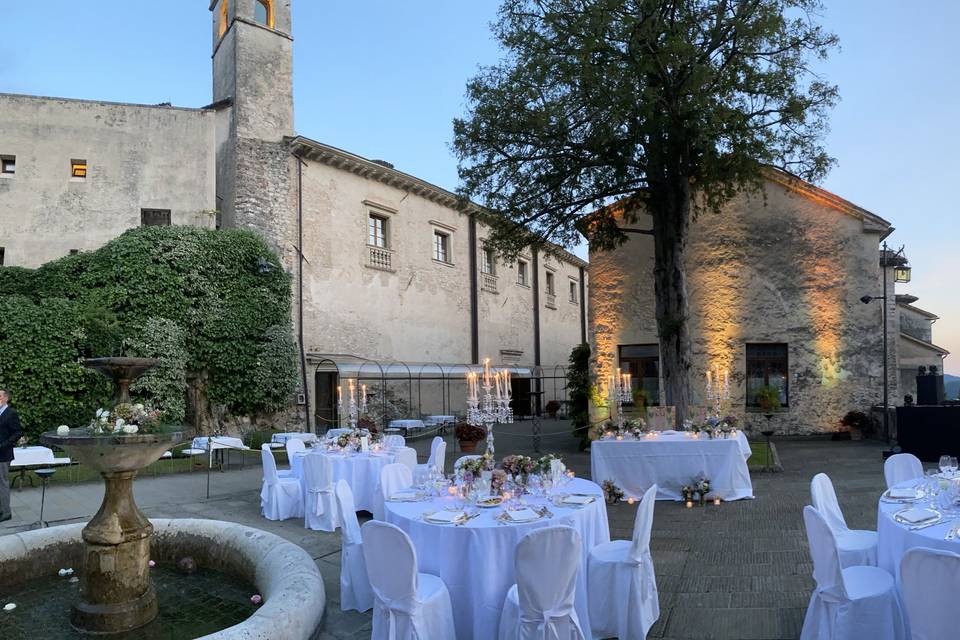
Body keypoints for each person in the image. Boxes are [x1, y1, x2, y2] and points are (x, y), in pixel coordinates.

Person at [0, 389, 23, 522]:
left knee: (2, 483)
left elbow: (17, 433)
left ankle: (6, 512)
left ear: (6, 399)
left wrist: (3, 445)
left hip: (3, 454)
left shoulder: (11, 413)